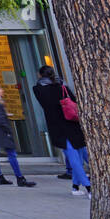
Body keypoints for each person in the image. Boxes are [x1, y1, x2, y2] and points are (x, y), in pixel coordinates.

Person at [33, 64, 90, 196]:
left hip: (58, 125)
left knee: (74, 157)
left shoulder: (39, 89)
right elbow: (74, 101)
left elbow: (44, 104)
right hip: (72, 123)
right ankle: (76, 186)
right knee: (79, 155)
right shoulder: (63, 86)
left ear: (41, 75)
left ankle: (87, 186)